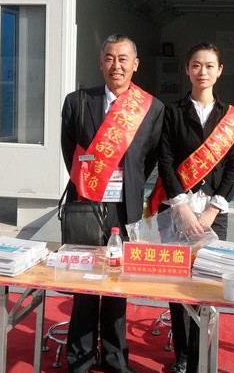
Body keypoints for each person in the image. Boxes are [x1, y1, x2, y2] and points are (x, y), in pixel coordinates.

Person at [61, 34, 164, 373]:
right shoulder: (77, 102)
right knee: (84, 282)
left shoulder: (152, 108)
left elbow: (148, 159)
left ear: (136, 64)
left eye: (123, 59)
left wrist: (128, 182)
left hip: (124, 206)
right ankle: (80, 357)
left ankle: (114, 358)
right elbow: (69, 151)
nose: (116, 66)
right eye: (109, 58)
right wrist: (92, 180)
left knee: (118, 285)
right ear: (100, 62)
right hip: (86, 203)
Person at [154, 42, 234, 373]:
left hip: (213, 213)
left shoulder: (230, 117)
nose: (202, 72)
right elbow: (165, 161)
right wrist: (181, 206)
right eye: (196, 65)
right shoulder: (172, 112)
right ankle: (182, 355)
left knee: (207, 283)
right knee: (177, 284)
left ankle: (199, 356)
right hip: (176, 209)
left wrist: (212, 211)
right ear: (187, 69)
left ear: (219, 71)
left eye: (209, 66)